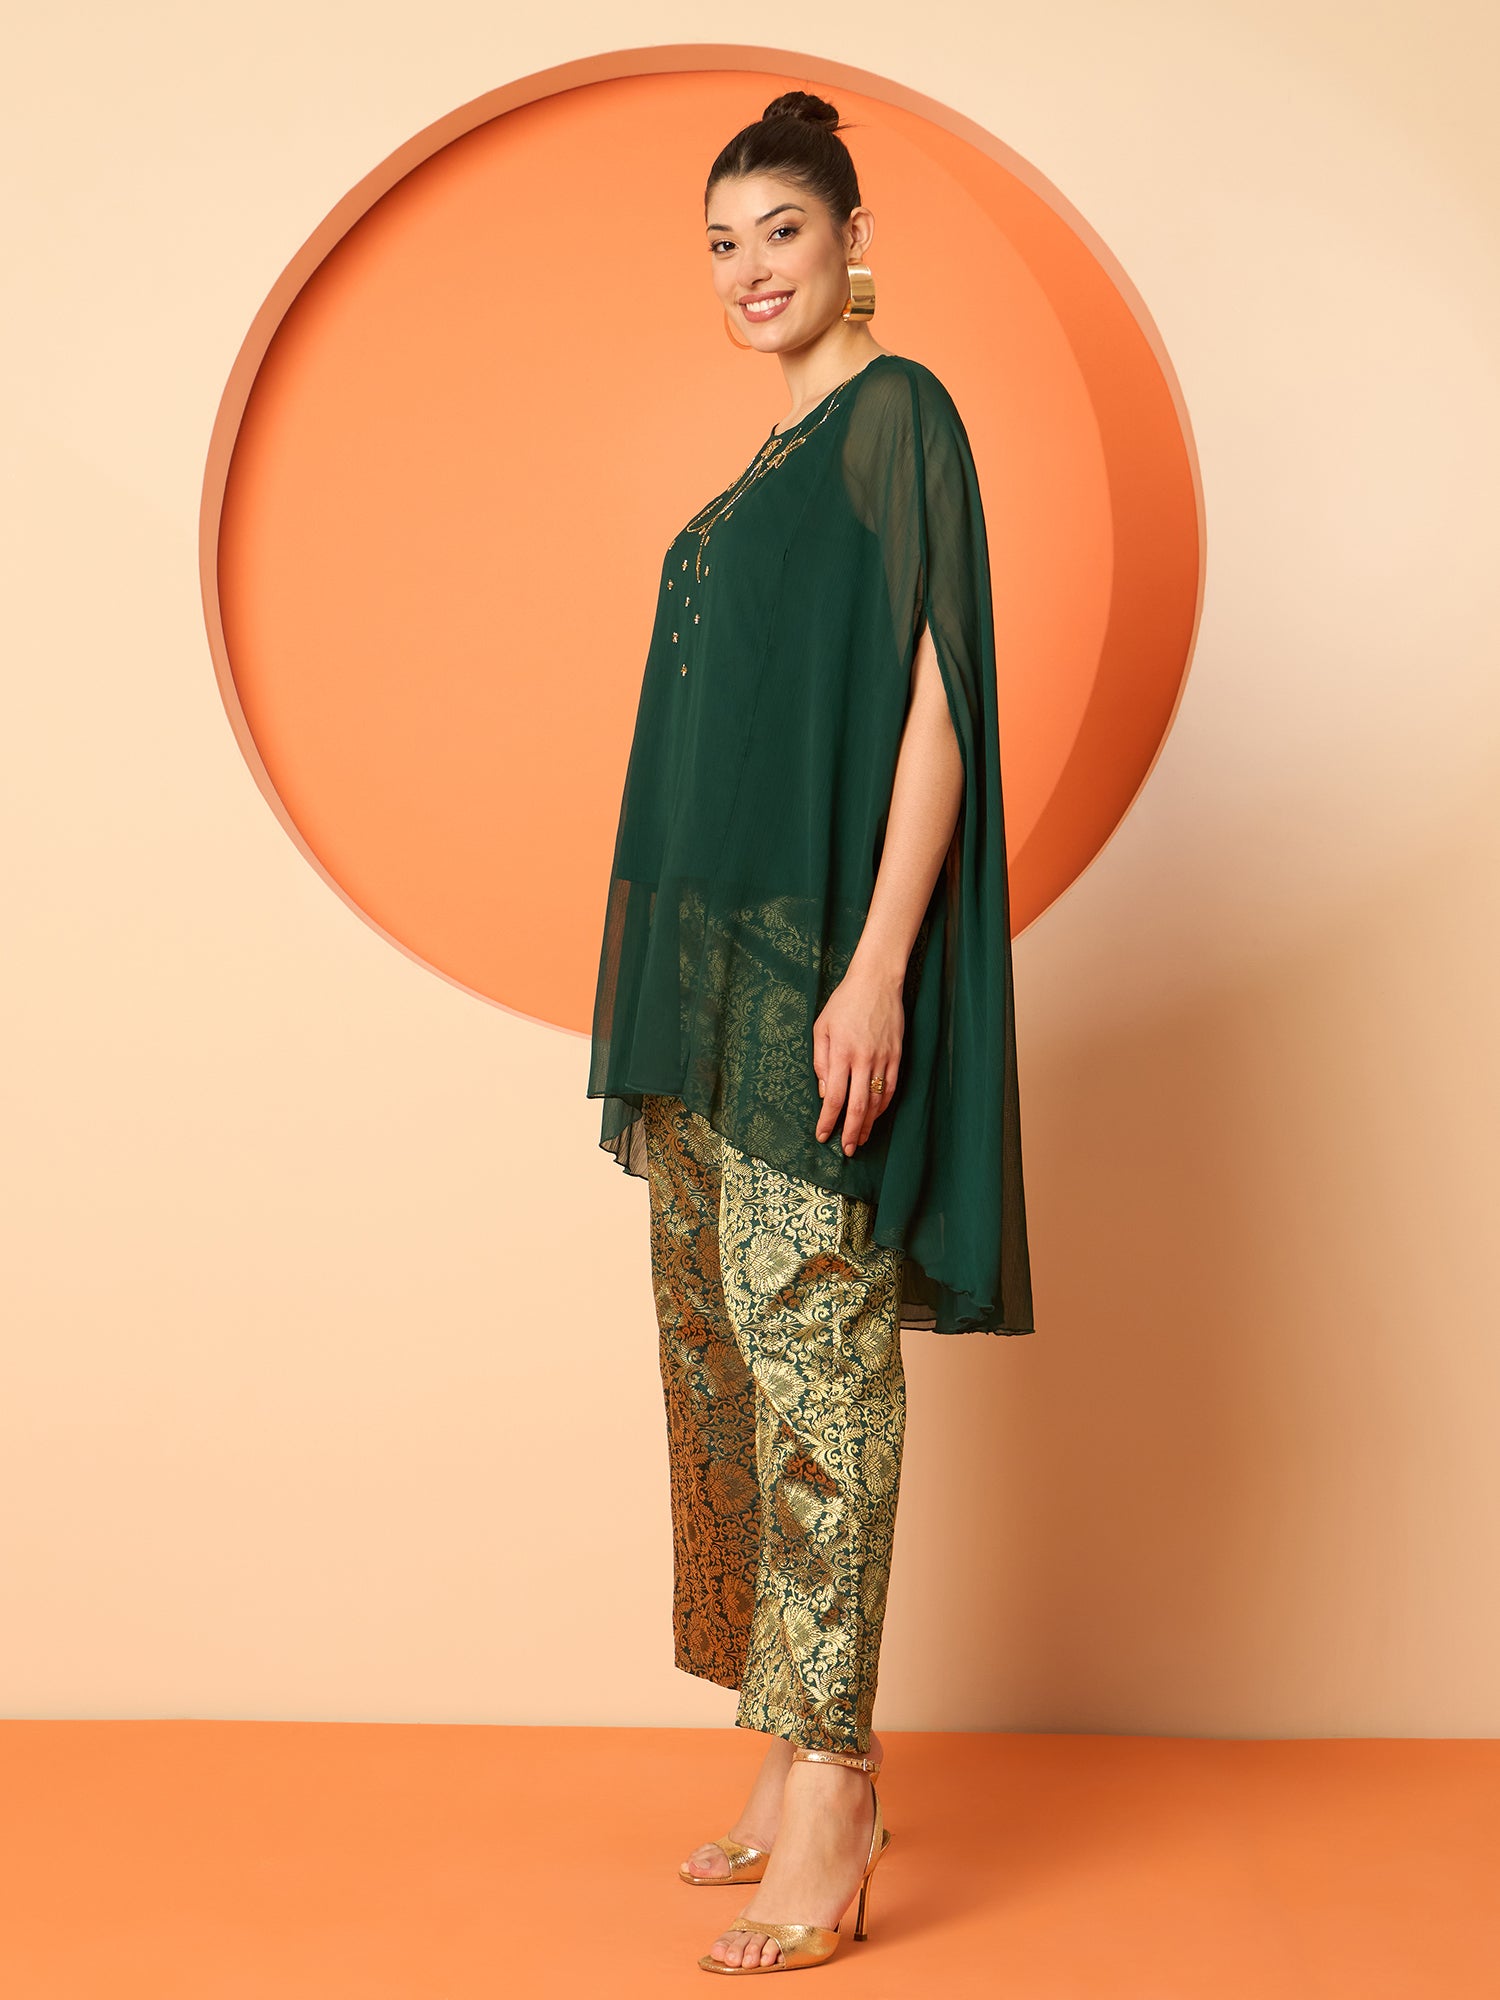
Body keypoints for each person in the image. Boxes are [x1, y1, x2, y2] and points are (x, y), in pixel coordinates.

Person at [587, 89, 1035, 1976]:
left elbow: (938, 704)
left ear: (855, 242)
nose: (750, 268)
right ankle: (787, 1736)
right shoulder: (753, 476)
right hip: (701, 993)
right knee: (730, 1366)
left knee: (818, 1363)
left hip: (808, 980)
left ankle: (840, 1782)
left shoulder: (895, 419)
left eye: (781, 228)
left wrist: (877, 965)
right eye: (721, 242)